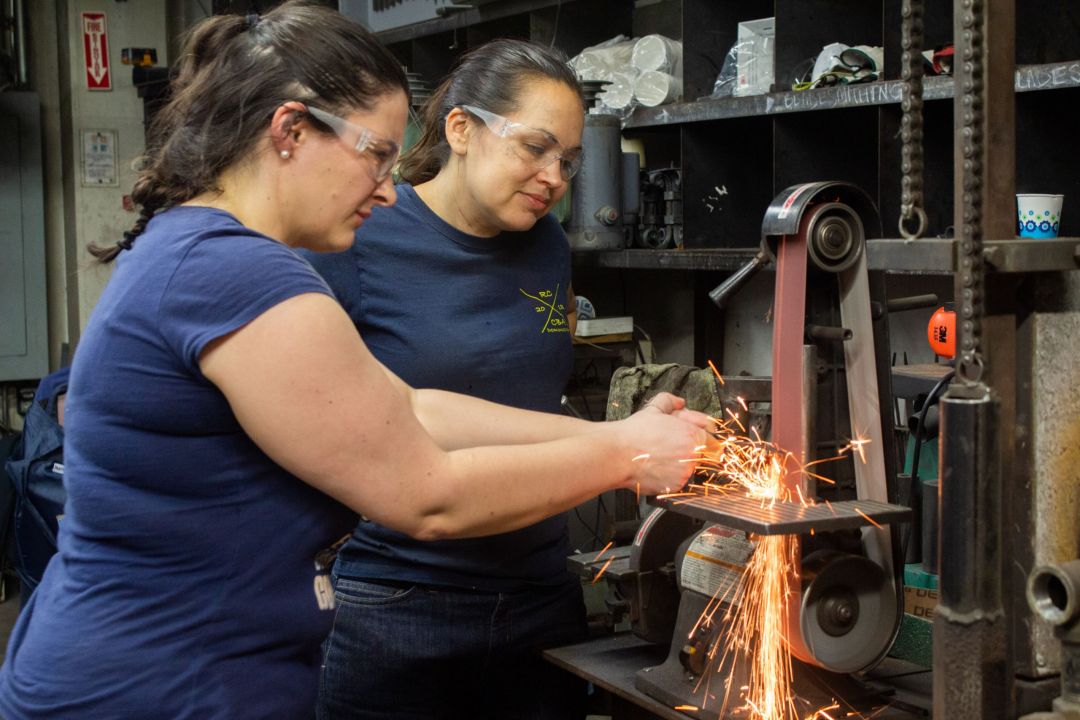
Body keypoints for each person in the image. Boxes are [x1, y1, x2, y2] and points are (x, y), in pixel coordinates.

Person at [0, 4, 706, 719]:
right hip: (165, 683)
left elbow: (409, 408)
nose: (388, 187)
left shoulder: (203, 248)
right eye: (374, 154)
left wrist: (613, 437)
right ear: (290, 131)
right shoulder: (238, 275)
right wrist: (625, 456)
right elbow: (426, 495)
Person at [301, 39, 599, 720]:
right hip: (398, 600)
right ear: (461, 129)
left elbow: (532, 387)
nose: (553, 176)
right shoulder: (363, 236)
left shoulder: (547, 243)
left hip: (540, 594)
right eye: (534, 147)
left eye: (568, 161)